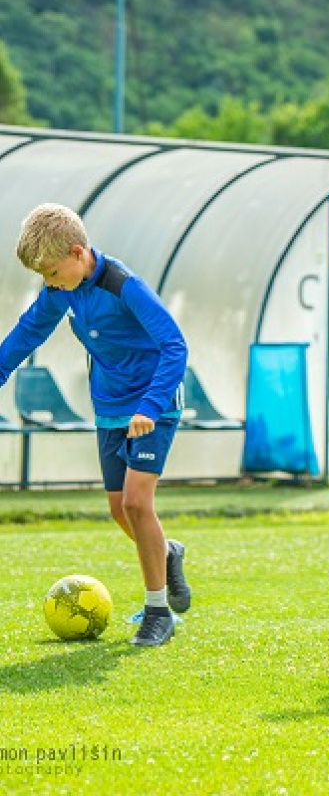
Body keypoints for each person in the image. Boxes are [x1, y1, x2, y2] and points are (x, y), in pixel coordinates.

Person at [0, 203, 192, 647]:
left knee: (138, 504)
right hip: (109, 407)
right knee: (118, 509)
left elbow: (174, 346)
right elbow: (29, 332)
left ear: (76, 251)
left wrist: (150, 404)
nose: (48, 283)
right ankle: (167, 553)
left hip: (153, 406)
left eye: (51, 272)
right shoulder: (59, 292)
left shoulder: (126, 287)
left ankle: (158, 612)